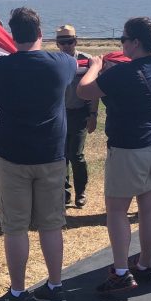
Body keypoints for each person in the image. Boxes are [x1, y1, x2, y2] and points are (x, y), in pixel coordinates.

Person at [78, 17, 151, 292]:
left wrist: (96, 67)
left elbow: (83, 90)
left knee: (117, 211)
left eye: (123, 39)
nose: (121, 44)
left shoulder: (122, 73)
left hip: (129, 149)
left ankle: (122, 272)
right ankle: (145, 264)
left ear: (135, 42)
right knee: (150, 208)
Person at [0, 7, 76, 301]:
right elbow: (80, 70)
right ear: (41, 33)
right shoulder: (62, 63)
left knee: (15, 227)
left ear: (12, 36)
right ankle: (55, 286)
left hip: (12, 156)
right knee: (51, 225)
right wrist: (96, 66)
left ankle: (17, 293)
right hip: (51, 156)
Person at [55, 25, 98, 208]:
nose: (66, 46)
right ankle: (64, 193)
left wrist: (93, 115)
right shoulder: (54, 61)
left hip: (80, 113)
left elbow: (94, 91)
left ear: (76, 41)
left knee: (76, 155)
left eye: (70, 42)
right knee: (61, 156)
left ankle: (81, 192)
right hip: (59, 115)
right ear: (57, 44)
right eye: (62, 42)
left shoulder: (86, 61)